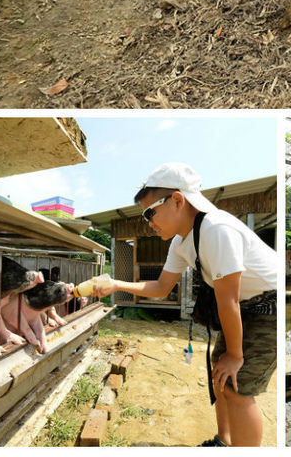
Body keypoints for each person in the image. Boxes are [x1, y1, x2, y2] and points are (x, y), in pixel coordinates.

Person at [89, 163, 277, 447]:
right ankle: (223, 442)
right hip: (243, 307)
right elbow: (161, 287)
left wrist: (236, 355)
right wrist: (117, 284)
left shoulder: (217, 228)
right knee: (220, 375)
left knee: (239, 387)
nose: (149, 222)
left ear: (177, 200)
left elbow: (229, 300)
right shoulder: (180, 242)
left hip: (268, 307)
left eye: (150, 212)